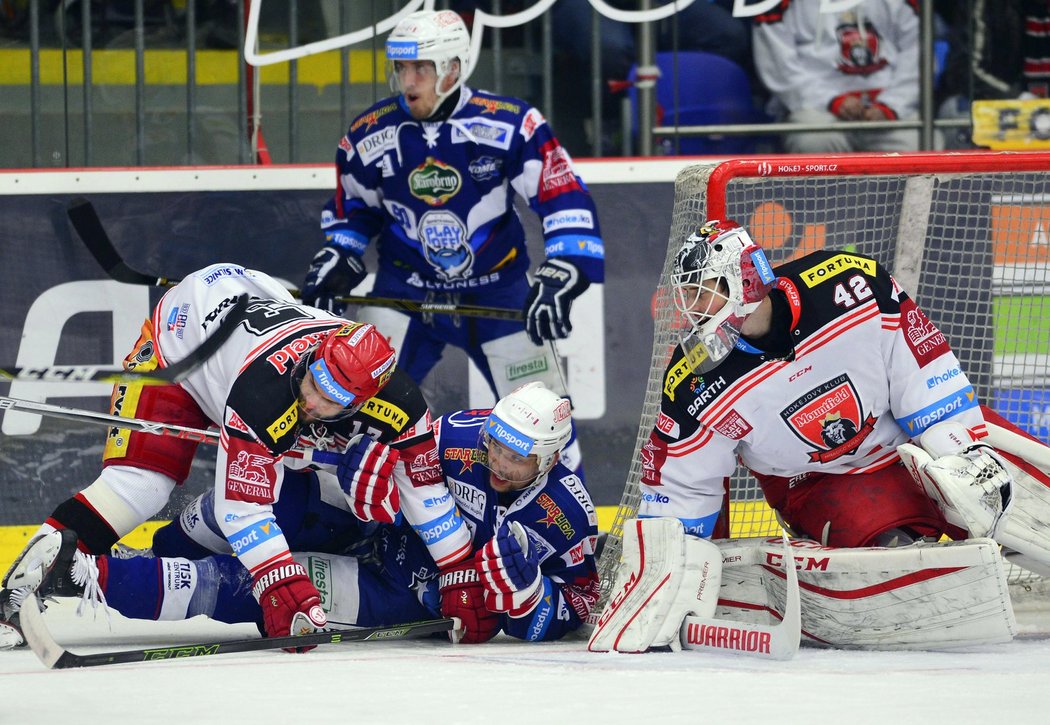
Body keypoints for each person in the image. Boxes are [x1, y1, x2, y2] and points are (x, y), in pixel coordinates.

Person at [0, 262, 470, 650]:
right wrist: (279, 581)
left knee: (294, 470)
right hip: (177, 346)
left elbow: (426, 494)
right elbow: (240, 508)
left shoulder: (403, 406)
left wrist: (461, 572)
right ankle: (12, 596)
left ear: (366, 398)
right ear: (317, 356)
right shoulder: (265, 390)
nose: (313, 402)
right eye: (314, 383)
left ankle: (151, 559)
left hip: (238, 310)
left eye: (332, 399)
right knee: (140, 486)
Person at [11, 383, 599, 645]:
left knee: (248, 589)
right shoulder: (465, 435)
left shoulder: (567, 515)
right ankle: (158, 550)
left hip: (399, 590)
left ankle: (82, 576)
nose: (494, 458)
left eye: (515, 455)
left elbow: (580, 603)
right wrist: (366, 459)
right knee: (256, 504)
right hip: (374, 527)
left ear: (548, 456)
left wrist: (526, 602)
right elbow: (399, 452)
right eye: (494, 442)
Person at [638, 219, 1050, 569]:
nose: (689, 305)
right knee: (894, 564)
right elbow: (685, 482)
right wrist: (667, 558)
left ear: (742, 282)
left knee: (1016, 497)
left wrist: (956, 445)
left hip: (912, 442)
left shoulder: (851, 283)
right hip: (818, 481)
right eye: (686, 292)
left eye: (700, 289)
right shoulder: (695, 375)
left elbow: (922, 364)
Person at [299, 8, 604, 405]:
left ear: (454, 68)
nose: (407, 81)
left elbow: (562, 194)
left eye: (422, 68)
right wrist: (341, 252)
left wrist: (566, 266)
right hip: (403, 293)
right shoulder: (369, 132)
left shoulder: (513, 123)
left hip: (498, 290)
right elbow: (355, 207)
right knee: (354, 411)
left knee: (542, 426)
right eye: (401, 67)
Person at [752, 0, 921, 153]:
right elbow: (778, 67)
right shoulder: (776, 4)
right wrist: (830, 100)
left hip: (889, 106)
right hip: (815, 108)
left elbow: (918, 54)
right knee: (815, 141)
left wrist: (891, 105)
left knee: (921, 144)